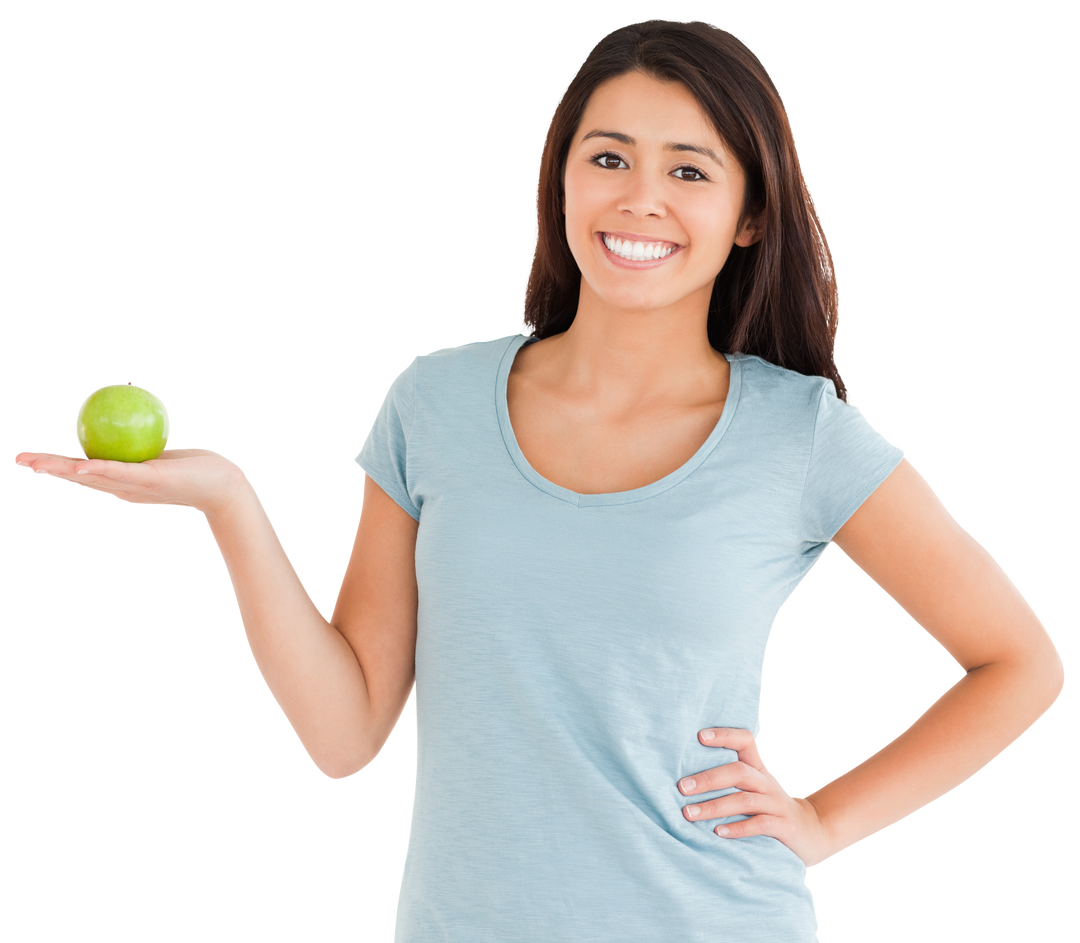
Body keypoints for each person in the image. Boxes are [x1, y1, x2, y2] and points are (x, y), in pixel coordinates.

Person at [13, 15, 1065, 942]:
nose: (639, 199)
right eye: (608, 158)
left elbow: (1020, 662)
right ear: (560, 175)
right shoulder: (436, 401)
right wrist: (230, 504)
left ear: (750, 214)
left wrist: (824, 822)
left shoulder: (800, 435)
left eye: (690, 171)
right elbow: (345, 736)